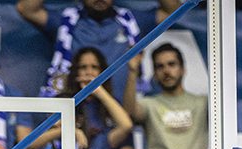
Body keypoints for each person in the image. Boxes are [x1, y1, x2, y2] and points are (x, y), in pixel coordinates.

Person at [19, 0, 153, 103]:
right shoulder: (65, 19)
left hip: (120, 116)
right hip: (75, 115)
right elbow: (25, 9)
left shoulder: (131, 20)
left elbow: (171, 11)